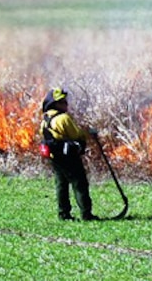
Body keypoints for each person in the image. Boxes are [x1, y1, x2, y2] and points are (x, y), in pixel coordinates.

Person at [40, 87, 99, 221]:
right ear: (55, 104)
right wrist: (89, 134)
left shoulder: (45, 119)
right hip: (69, 157)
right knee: (79, 184)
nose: (66, 104)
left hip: (55, 158)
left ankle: (63, 214)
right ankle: (86, 214)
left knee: (61, 185)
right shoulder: (63, 118)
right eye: (62, 102)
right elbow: (76, 134)